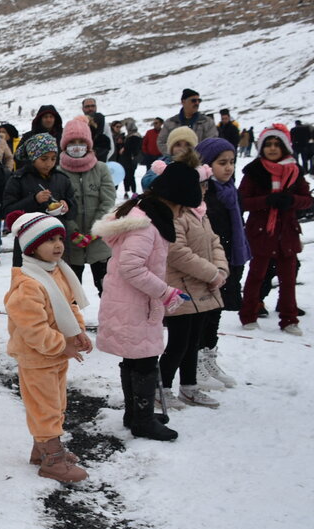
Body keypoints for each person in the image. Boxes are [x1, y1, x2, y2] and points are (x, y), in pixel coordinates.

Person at [92, 164, 202, 442]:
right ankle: (141, 419)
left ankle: (136, 415)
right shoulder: (146, 225)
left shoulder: (144, 213)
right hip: (135, 304)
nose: (184, 212)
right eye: (184, 207)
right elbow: (132, 267)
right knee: (143, 361)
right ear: (174, 200)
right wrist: (165, 293)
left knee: (136, 358)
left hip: (130, 302)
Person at [3, 210, 92, 482]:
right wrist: (61, 345)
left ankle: (41, 450)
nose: (57, 245)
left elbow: (70, 305)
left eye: (59, 238)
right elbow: (34, 330)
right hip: (36, 357)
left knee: (57, 403)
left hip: (55, 356)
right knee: (45, 408)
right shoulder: (28, 285)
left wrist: (78, 333)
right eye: (48, 240)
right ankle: (51, 460)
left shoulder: (56, 273)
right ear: (31, 247)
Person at [157, 162, 227, 410]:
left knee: (193, 342)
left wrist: (220, 269)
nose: (204, 189)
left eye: (207, 184)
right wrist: (211, 273)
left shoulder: (202, 212)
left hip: (205, 286)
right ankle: (161, 388)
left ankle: (189, 387)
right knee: (178, 343)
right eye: (199, 185)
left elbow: (214, 242)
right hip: (182, 287)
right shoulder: (177, 215)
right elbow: (177, 253)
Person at [238, 125, 313, 335]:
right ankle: (248, 314)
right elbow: (242, 201)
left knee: (288, 279)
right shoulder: (254, 171)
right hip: (262, 232)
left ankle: (289, 319)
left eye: (276, 144)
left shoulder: (295, 171)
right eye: (268, 144)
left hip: (287, 232)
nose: (272, 148)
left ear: (285, 147)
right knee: (256, 276)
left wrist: (292, 200)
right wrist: (267, 200)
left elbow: (308, 200)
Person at [195, 138, 246, 389]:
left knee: (216, 313)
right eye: (222, 163)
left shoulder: (231, 192)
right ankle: (195, 361)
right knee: (204, 313)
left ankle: (209, 357)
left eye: (232, 162)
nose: (228, 168)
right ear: (207, 164)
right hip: (208, 263)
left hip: (228, 260)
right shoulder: (205, 195)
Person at [58, 118, 117, 295]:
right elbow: (59, 206)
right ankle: (73, 321)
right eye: (72, 142)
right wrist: (73, 231)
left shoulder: (101, 169)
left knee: (107, 288)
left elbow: (108, 202)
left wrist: (94, 231)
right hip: (70, 242)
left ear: (88, 144)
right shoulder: (59, 172)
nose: (77, 146)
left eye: (81, 142)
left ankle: (110, 321)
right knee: (70, 290)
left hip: (99, 242)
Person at [3, 133, 74, 267]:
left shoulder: (62, 179)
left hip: (58, 245)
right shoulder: (18, 179)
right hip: (29, 243)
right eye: (44, 159)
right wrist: (34, 200)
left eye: (53, 159)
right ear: (33, 157)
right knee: (30, 284)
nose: (49, 164)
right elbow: (8, 212)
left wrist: (67, 205)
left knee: (58, 284)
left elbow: (74, 211)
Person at [158, 89, 217, 154]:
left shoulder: (207, 122)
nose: (197, 103)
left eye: (199, 101)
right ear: (183, 102)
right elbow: (161, 142)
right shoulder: (170, 122)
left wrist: (195, 157)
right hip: (176, 162)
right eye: (193, 100)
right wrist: (173, 154)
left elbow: (211, 143)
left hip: (199, 161)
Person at [114, 118, 142, 197]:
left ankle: (132, 192)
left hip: (131, 159)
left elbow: (133, 148)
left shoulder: (134, 136)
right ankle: (128, 191)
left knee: (130, 176)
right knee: (127, 175)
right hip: (127, 159)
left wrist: (125, 147)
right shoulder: (130, 136)